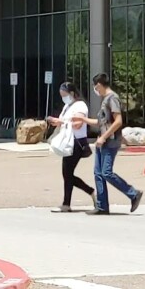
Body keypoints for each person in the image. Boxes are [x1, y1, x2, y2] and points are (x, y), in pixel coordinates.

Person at [71, 73, 144, 215]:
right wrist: (84, 120)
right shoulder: (105, 100)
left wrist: (103, 137)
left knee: (106, 172)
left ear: (99, 84)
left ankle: (133, 193)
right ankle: (102, 206)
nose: (95, 90)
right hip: (102, 141)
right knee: (98, 173)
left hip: (110, 141)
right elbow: (101, 122)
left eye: (95, 86)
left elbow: (118, 121)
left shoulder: (112, 98)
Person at [47, 83, 96, 213]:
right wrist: (57, 121)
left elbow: (78, 124)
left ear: (72, 93)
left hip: (77, 142)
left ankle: (68, 203)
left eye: (65, 95)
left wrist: (61, 122)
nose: (64, 98)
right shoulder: (67, 106)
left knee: (67, 173)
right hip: (69, 142)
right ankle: (84, 194)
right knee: (67, 173)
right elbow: (67, 122)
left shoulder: (80, 106)